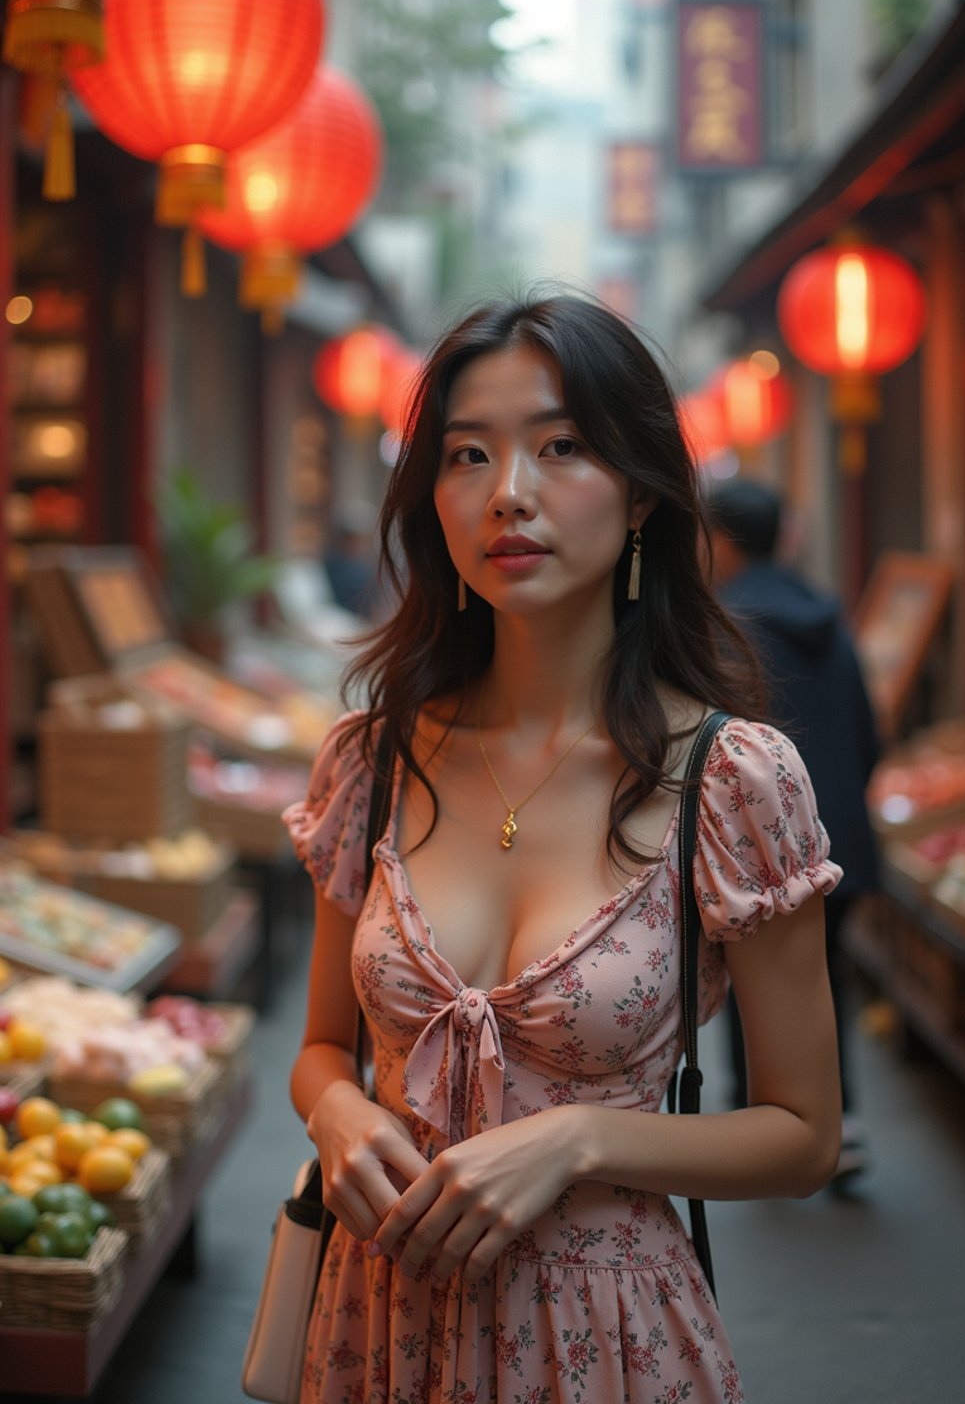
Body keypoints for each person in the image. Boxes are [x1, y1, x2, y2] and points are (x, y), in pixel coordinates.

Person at [285, 293, 843, 1404]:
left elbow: (803, 1135)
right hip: (376, 1326)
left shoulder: (732, 781)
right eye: (466, 455)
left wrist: (579, 1140)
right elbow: (319, 1048)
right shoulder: (372, 759)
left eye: (561, 447)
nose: (509, 494)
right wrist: (338, 1112)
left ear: (640, 492)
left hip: (610, 1338)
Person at [706, 476, 881, 1183]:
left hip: (756, 850)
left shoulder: (720, 625)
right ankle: (845, 1121)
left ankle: (766, 1123)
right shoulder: (827, 618)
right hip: (842, 835)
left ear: (720, 540)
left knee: (751, 981)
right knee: (824, 975)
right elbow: (870, 734)